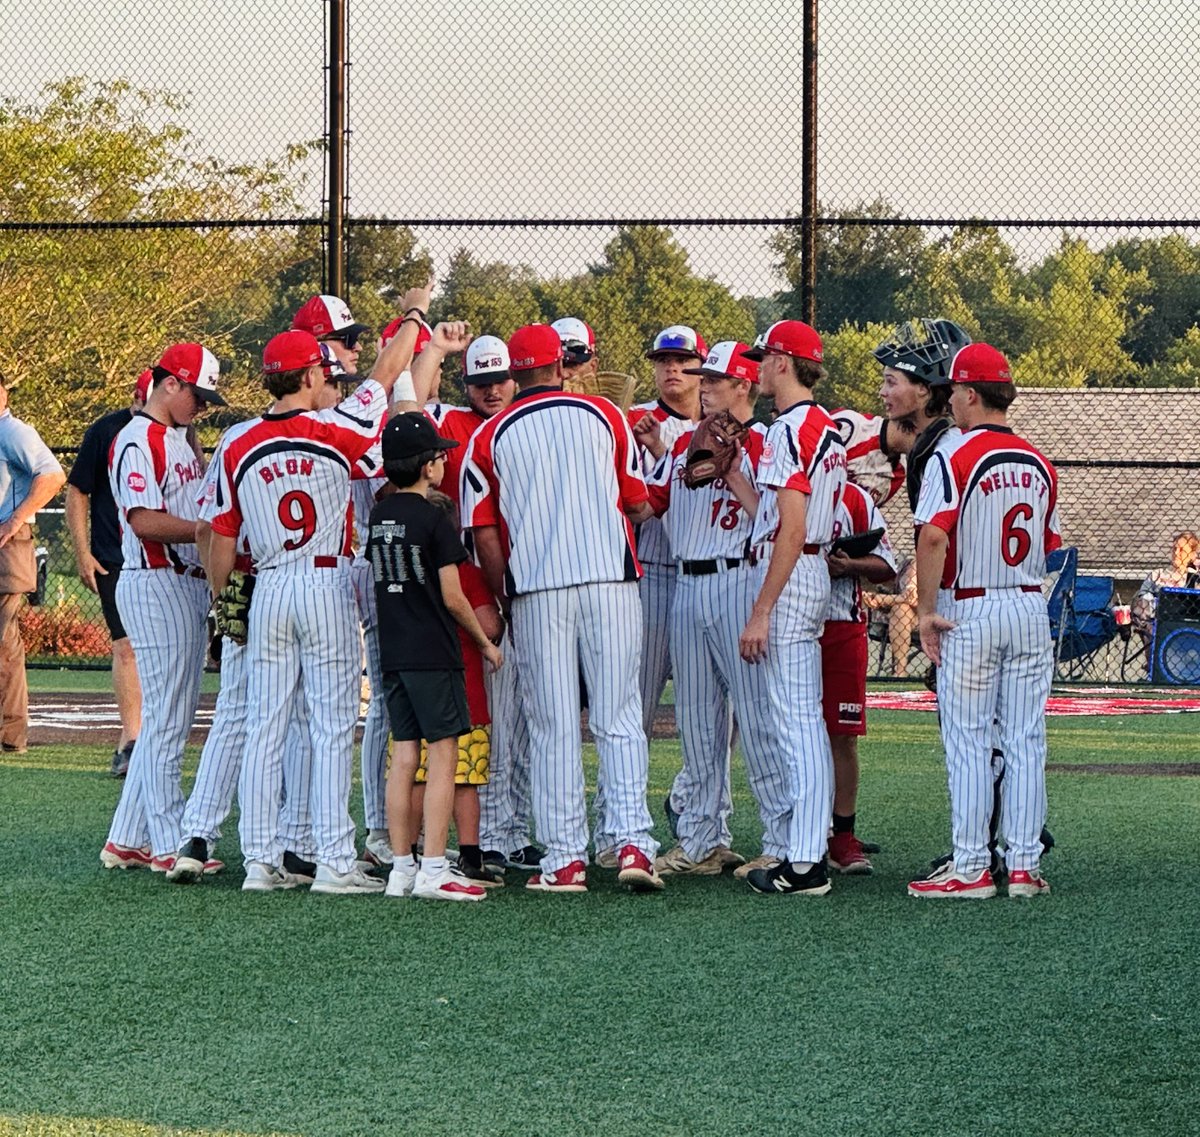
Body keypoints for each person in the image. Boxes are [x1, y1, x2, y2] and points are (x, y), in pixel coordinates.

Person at [208, 295, 428, 895]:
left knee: (265, 725)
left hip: (269, 583)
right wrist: (413, 317)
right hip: (325, 580)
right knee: (332, 725)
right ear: (310, 375)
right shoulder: (335, 427)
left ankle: (259, 861)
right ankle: (332, 860)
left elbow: (221, 535)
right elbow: (386, 373)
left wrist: (224, 604)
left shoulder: (236, 440)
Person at [462, 323, 662, 893]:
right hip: (611, 580)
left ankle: (566, 859)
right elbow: (637, 503)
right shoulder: (606, 415)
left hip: (537, 590)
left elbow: (484, 533)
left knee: (551, 727)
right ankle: (632, 843)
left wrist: (505, 594)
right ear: (559, 365)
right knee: (619, 716)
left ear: (513, 374)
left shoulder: (488, 435)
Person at [910, 343, 1061, 900]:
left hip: (970, 607)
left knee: (970, 741)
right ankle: (1023, 867)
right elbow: (1049, 544)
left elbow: (933, 535)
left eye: (953, 391)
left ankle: (972, 866)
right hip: (1028, 604)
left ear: (971, 394)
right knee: (1025, 740)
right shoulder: (1039, 460)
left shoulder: (954, 454)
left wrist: (926, 612)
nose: (949, 401)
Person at [640, 341, 791, 878]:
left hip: (738, 580)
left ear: (743, 386)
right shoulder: (683, 442)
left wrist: (731, 471)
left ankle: (783, 840)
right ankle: (702, 840)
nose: (701, 387)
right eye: (702, 380)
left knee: (757, 717)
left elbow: (774, 521)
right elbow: (647, 504)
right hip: (685, 584)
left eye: (713, 380)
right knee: (698, 722)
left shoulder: (769, 442)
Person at [99, 344, 225, 871]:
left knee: (167, 718)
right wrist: (203, 532)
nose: (203, 406)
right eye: (198, 395)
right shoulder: (138, 438)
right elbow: (142, 519)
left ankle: (127, 837)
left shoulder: (176, 438)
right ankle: (170, 842)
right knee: (168, 721)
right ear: (170, 383)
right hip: (157, 581)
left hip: (178, 582)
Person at [370, 415, 503, 902]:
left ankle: (401, 866)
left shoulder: (380, 517)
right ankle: (433, 867)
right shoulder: (433, 519)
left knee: (405, 755)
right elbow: (453, 597)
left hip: (394, 650)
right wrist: (485, 644)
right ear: (427, 467)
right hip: (432, 650)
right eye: (439, 456)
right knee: (444, 754)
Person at [736, 320, 847, 897]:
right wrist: (733, 474)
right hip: (807, 567)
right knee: (801, 720)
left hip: (792, 570)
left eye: (764, 357)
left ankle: (805, 863)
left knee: (796, 722)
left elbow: (791, 527)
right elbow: (776, 515)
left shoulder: (786, 429)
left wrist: (761, 610)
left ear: (783, 362)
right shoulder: (825, 425)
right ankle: (807, 853)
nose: (758, 367)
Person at [609, 324, 705, 862]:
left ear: (701, 368)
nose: (671, 368)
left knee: (713, 717)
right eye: (662, 360)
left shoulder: (720, 422)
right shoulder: (633, 420)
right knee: (636, 709)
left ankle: (691, 807)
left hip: (706, 576)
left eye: (682, 360)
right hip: (652, 572)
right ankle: (619, 828)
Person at [66, 370, 149, 777]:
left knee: (163, 649)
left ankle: (157, 736)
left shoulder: (178, 433)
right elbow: (77, 490)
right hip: (114, 556)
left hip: (161, 557)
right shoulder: (106, 431)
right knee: (126, 645)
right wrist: (83, 553)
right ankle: (130, 740)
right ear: (139, 396)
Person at [821, 479, 897, 874]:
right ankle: (793, 831)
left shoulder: (853, 496)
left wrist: (848, 565)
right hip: (789, 624)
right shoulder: (775, 485)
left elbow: (887, 566)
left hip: (842, 624)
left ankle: (843, 835)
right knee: (786, 733)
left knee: (843, 734)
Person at [0, 371, 66, 755]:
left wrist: (15, 519)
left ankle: (10, 736)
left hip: (7, 547)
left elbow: (53, 475)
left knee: (3, 642)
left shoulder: (13, 431)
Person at [1131, 531, 1200, 652]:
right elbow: (1142, 602)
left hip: (1186, 627)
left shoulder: (1195, 579)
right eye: (1174, 549)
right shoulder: (1156, 575)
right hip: (1156, 624)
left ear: (1192, 555)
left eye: (1182, 550)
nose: (1176, 553)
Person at [861, 557, 919, 678]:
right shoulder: (908, 564)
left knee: (901, 607)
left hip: (931, 614)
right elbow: (908, 599)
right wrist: (885, 600)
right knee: (900, 610)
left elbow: (914, 599)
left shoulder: (933, 563)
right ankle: (900, 671)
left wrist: (883, 599)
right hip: (908, 615)